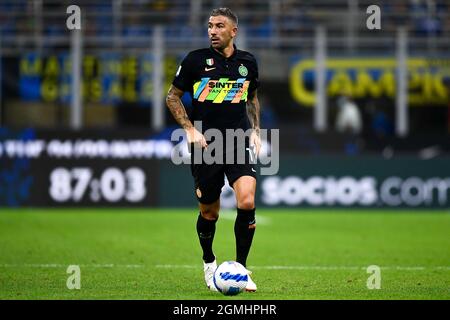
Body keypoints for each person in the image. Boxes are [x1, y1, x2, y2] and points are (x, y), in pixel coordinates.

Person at [165, 8, 261, 292]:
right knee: (210, 213)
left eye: (219, 26)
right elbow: (172, 97)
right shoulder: (195, 60)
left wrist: (255, 131)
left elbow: (251, 98)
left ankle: (241, 270)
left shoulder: (248, 62)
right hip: (206, 145)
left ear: (234, 31)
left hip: (237, 140)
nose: (212, 31)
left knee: (246, 201)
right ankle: (209, 262)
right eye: (209, 26)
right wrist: (189, 129)